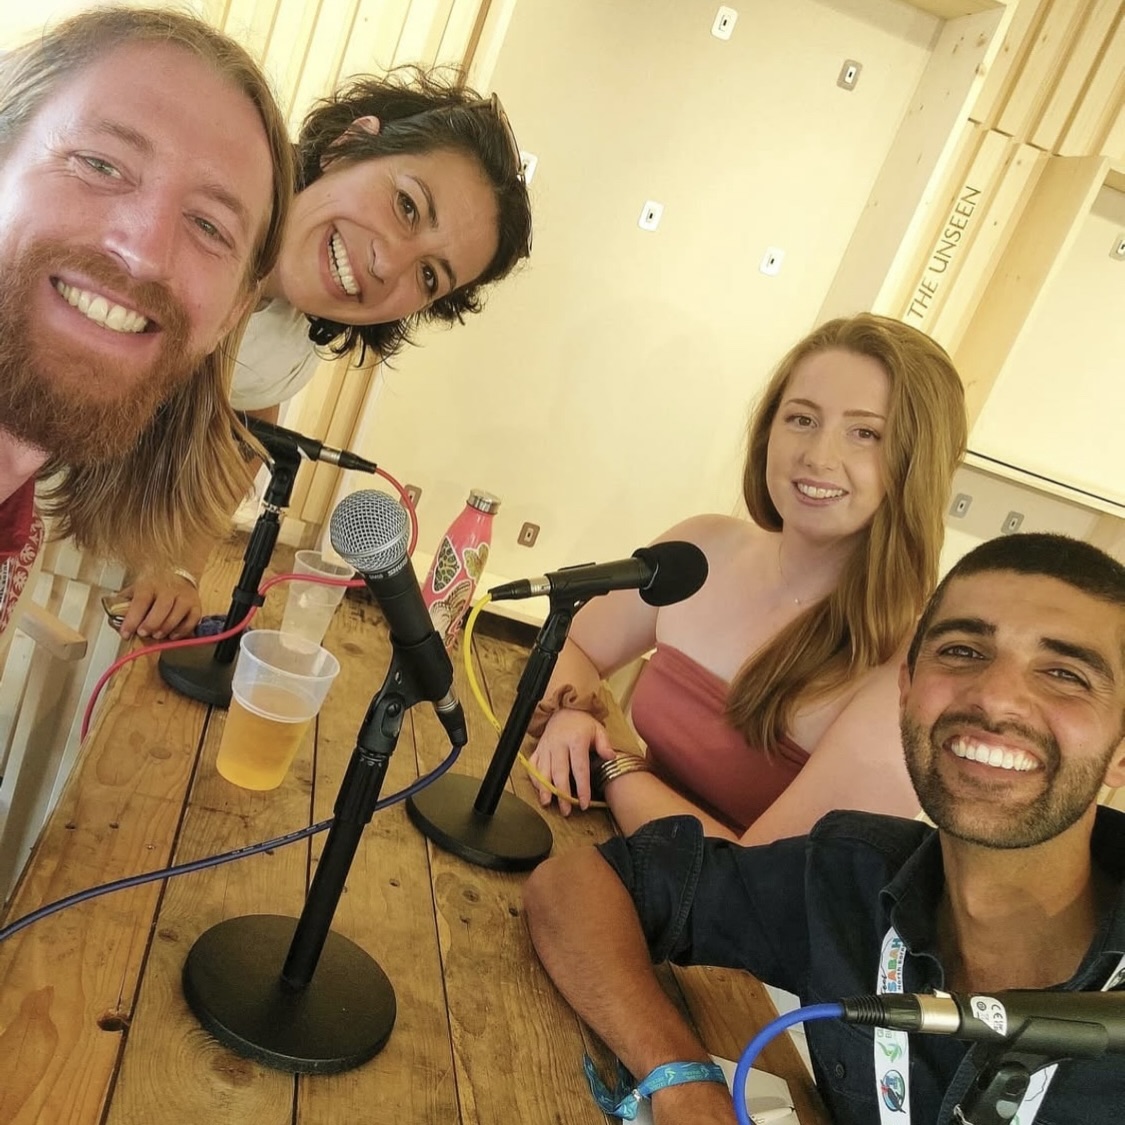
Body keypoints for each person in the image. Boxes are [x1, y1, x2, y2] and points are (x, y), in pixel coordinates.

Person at [524, 532, 1125, 1125]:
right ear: (907, 691)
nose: (996, 700)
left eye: (1066, 673)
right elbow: (578, 885)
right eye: (963, 651)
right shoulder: (852, 877)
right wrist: (680, 1078)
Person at [116, 68, 534, 642]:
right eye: (408, 206)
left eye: (431, 275)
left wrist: (176, 565)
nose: (390, 265)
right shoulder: (158, 213)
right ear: (348, 144)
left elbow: (245, 432)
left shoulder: (288, 345)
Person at [527, 313, 967, 844]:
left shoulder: (911, 680)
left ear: (917, 463)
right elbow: (571, 645)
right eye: (802, 419)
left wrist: (615, 771)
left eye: (865, 433)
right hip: (614, 853)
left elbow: (753, 877)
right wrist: (571, 714)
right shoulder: (702, 545)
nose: (818, 456)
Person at [0, 6, 293, 643]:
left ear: (231, 316)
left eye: (209, 227)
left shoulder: (16, 524)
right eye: (99, 163)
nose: (145, 251)